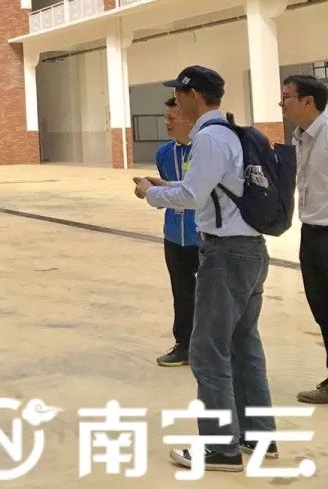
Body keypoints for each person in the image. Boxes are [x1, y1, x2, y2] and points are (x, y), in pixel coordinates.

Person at [134, 65, 277, 471]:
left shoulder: (210, 137)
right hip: (249, 249)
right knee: (244, 345)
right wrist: (167, 188)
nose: (174, 103)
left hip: (226, 254)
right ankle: (258, 435)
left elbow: (194, 196)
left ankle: (220, 448)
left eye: (178, 94)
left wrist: (151, 194)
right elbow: (209, 191)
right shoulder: (231, 132)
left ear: (193, 95)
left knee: (208, 350)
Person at [280, 75, 328, 403]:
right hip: (310, 233)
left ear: (307, 101)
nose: (281, 103)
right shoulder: (301, 137)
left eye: (287, 97)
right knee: (322, 310)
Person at [153, 96, 200, 368]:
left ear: (189, 120)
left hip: (203, 236)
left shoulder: (204, 151)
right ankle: (184, 345)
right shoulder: (163, 153)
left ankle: (215, 347)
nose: (167, 123)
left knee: (211, 295)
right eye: (165, 118)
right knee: (181, 294)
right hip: (174, 236)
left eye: (172, 118)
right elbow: (166, 195)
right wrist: (153, 193)